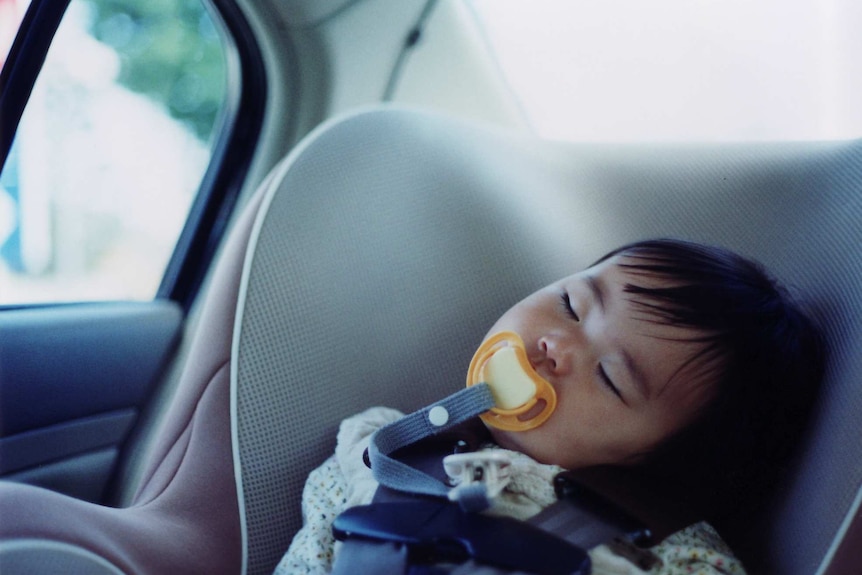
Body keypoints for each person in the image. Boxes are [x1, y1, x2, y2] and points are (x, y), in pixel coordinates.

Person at [276, 238, 825, 574]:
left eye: (609, 376)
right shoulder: (385, 448)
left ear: (657, 462)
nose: (557, 347)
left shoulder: (677, 553)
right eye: (570, 304)